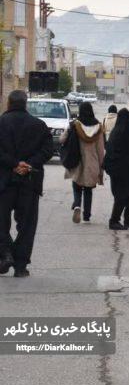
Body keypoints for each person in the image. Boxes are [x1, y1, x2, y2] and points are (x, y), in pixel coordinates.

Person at [0, 91, 54, 277]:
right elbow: (48, 150)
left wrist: (14, 164)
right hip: (29, 182)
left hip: (4, 182)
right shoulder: (39, 125)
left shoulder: (1, 123)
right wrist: (28, 164)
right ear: (25, 104)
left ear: (8, 103)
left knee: (1, 222)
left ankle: (5, 253)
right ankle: (21, 264)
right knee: (27, 224)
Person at [61, 102, 105, 224]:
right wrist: (101, 169)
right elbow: (100, 150)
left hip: (76, 161)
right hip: (92, 163)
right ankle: (87, 216)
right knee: (88, 190)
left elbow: (62, 139)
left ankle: (77, 206)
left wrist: (68, 132)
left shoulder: (74, 125)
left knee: (77, 186)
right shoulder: (99, 127)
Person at [104, 109, 129, 230]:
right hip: (122, 169)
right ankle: (114, 220)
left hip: (121, 168)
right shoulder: (126, 132)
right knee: (122, 194)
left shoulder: (116, 131)